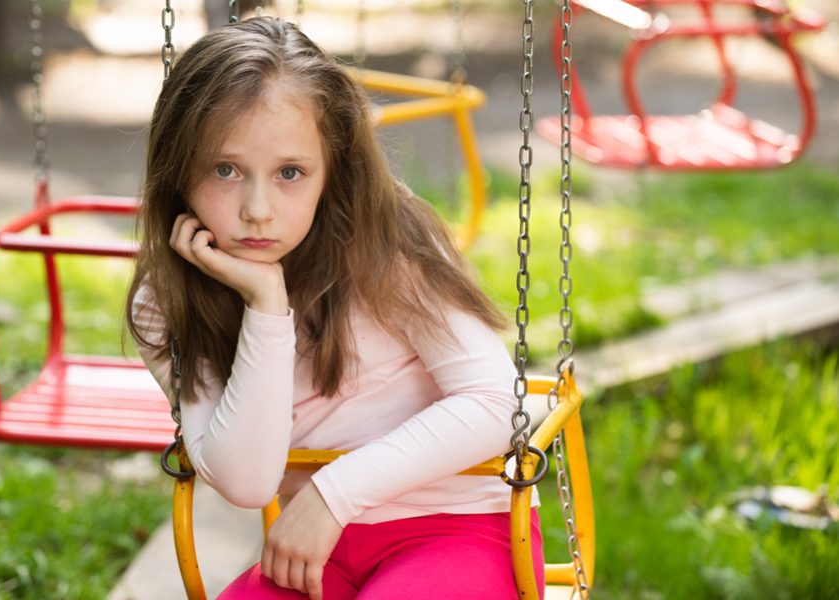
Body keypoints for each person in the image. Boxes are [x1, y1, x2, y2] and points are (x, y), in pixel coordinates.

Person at [127, 16, 543, 600]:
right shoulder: (164, 302)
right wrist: (267, 305)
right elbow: (247, 482)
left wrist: (331, 494)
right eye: (225, 170)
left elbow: (499, 404)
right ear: (177, 171)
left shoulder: (385, 246)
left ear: (333, 169)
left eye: (290, 173)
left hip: (457, 531)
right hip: (314, 552)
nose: (257, 209)